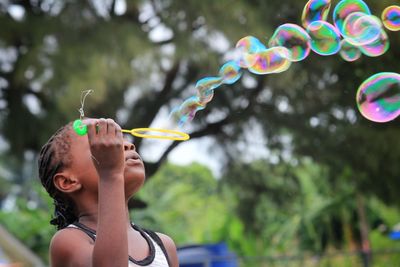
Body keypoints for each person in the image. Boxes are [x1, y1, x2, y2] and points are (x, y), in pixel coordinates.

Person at [38, 118, 179, 267]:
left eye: (118, 139)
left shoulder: (164, 246)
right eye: (101, 145)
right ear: (68, 182)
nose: (127, 145)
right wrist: (110, 174)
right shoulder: (68, 241)